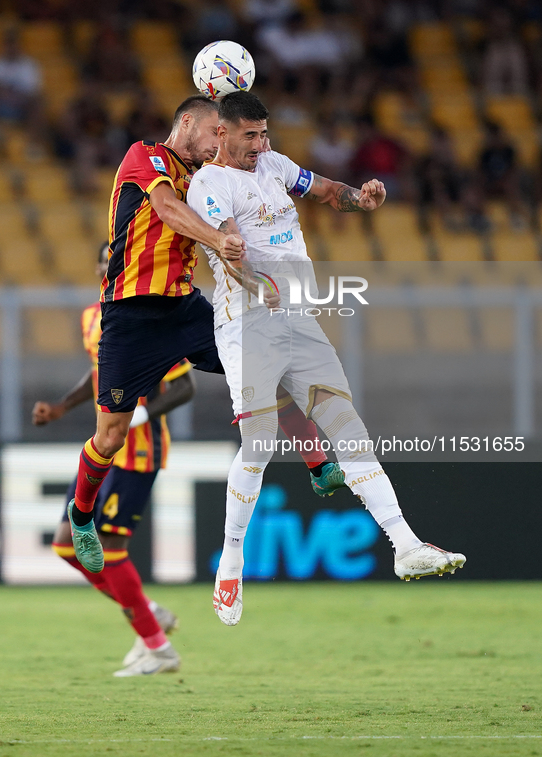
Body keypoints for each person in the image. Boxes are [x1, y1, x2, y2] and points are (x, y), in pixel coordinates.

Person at [187, 92, 466, 626]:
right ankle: (232, 560)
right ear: (220, 134)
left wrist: (360, 197)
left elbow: (325, 190)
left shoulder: (272, 164)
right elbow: (226, 246)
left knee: (346, 425)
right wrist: (256, 283)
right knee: (259, 442)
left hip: (299, 317)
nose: (261, 145)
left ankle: (405, 546)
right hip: (247, 324)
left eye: (264, 134)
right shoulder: (209, 185)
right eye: (250, 136)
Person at [65, 95, 341, 598]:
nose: (220, 142)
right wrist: (218, 238)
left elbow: (256, 207)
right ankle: (82, 516)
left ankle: (318, 461)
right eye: (216, 131)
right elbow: (167, 209)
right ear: (187, 122)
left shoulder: (211, 175)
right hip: (130, 315)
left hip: (184, 307)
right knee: (109, 437)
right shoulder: (145, 156)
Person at [33, 242, 194, 676]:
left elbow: (184, 389)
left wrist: (138, 415)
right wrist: (64, 406)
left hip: (139, 452)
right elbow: (100, 370)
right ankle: (149, 614)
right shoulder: (93, 317)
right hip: (102, 448)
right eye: (108, 261)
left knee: (111, 548)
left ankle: (158, 648)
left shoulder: (153, 316)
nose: (113, 266)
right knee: (68, 544)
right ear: (101, 267)